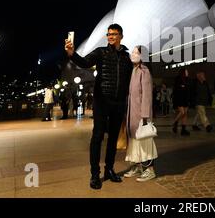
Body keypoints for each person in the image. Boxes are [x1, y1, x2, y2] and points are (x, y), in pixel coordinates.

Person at [64, 23, 133, 189]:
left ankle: (109, 169)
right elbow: (85, 62)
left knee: (113, 139)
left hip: (118, 103)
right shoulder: (100, 53)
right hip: (102, 102)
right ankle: (95, 174)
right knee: (97, 137)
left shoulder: (126, 57)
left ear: (121, 36)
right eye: (108, 34)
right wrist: (72, 54)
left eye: (114, 34)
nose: (110, 37)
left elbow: (130, 80)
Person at [124, 45, 158, 182]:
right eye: (132, 52)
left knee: (144, 141)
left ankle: (150, 170)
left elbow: (147, 96)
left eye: (136, 52)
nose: (132, 54)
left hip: (141, 115)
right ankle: (138, 166)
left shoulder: (144, 71)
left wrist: (145, 116)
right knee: (135, 140)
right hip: (132, 113)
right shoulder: (134, 70)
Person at [172, 68, 191, 136]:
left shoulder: (187, 80)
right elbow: (176, 90)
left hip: (185, 99)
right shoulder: (178, 79)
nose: (187, 73)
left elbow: (188, 90)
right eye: (186, 71)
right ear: (183, 72)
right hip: (179, 99)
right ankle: (175, 122)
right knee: (182, 112)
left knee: (185, 114)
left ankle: (183, 130)